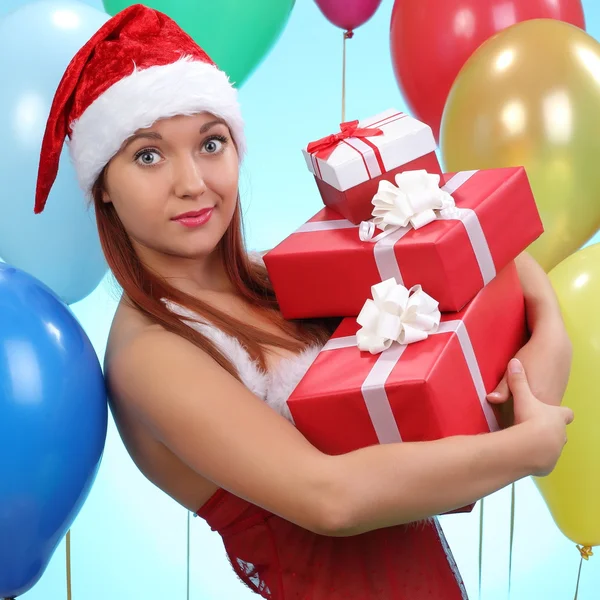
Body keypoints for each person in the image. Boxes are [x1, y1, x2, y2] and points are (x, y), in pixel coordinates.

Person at [35, 5, 574, 599]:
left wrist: (549, 329)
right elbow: (331, 498)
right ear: (102, 185)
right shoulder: (151, 352)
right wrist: (525, 447)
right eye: (148, 155)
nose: (191, 182)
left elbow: (488, 257)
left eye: (210, 143)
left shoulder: (277, 279)